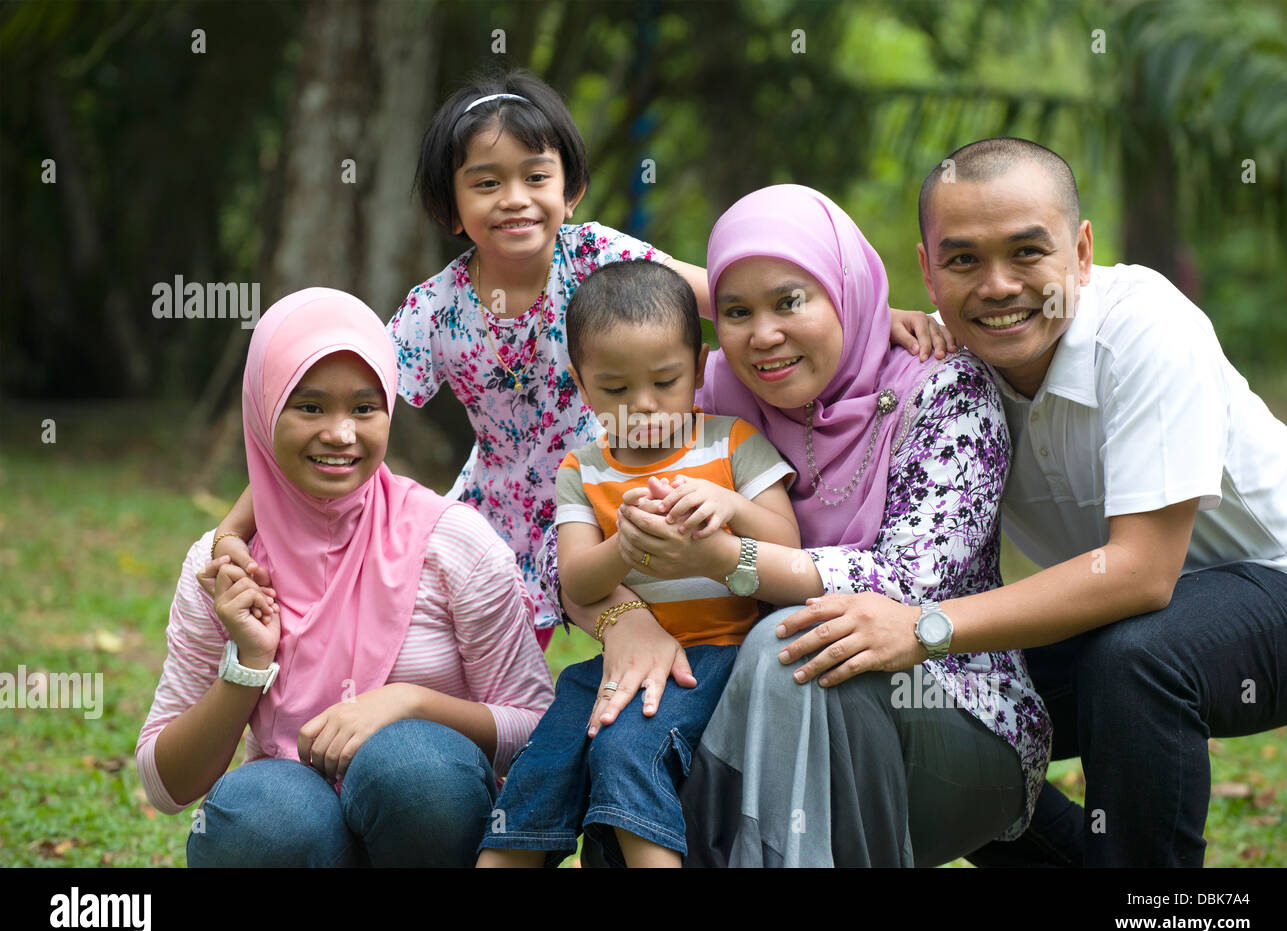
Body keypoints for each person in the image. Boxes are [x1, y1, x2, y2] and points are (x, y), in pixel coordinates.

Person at [201, 69, 954, 645]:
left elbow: (717, 293)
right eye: (486, 183)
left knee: (674, 632)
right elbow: (345, 404)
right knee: (491, 668)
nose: (515, 199)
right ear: (449, 207)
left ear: (572, 187)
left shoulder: (594, 253)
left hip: (619, 487)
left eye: (536, 176)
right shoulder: (436, 311)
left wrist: (864, 311)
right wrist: (244, 521)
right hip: (497, 512)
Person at [778, 137, 1287, 867]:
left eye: (1028, 252)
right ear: (927, 269)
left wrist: (926, 625)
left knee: (1133, 660)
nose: (997, 286)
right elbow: (758, 313)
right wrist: (865, 320)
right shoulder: (943, 365)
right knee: (927, 693)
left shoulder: (1150, 331)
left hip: (1278, 586)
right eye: (963, 260)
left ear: (1081, 252)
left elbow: (1141, 575)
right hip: (1123, 609)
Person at [541, 185, 1052, 867]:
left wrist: (727, 556)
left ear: (846, 293)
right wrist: (623, 615)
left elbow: (908, 583)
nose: (764, 334)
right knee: (637, 751)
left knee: (786, 644)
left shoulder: (944, 391)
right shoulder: (704, 389)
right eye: (736, 311)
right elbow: (584, 531)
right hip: (751, 696)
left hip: (944, 703)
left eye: (791, 301)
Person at [135, 287, 555, 867]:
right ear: (263, 411)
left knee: (413, 770)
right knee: (265, 820)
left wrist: (409, 703)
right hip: (297, 821)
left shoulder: (453, 542)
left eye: (364, 408)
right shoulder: (225, 569)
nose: (341, 434)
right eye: (309, 407)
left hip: (430, 827)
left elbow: (538, 728)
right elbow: (166, 784)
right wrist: (248, 666)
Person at [477, 260, 800, 868]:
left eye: (665, 381)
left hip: (716, 656)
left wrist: (731, 504)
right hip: (616, 662)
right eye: (616, 390)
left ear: (700, 368)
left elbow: (789, 542)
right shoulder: (582, 468)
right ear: (581, 383)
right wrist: (621, 548)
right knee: (544, 761)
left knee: (628, 752)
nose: (642, 407)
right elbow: (575, 578)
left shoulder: (732, 443)